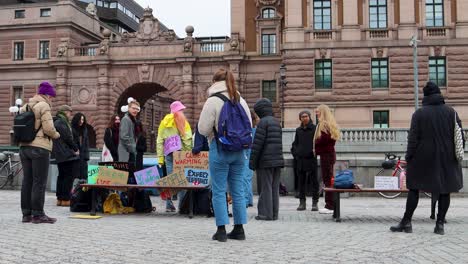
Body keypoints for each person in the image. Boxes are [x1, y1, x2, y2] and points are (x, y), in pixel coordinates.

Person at [390, 81, 464, 235]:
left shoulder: (419, 113)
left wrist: (409, 156)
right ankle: (439, 225)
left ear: (425, 96)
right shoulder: (452, 113)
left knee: (414, 188)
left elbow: (413, 139)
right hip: (447, 158)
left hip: (422, 158)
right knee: (445, 190)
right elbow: (460, 137)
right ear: (439, 94)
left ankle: (406, 221)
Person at [198, 68, 252, 242]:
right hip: (239, 150)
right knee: (238, 190)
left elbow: (203, 129)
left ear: (215, 81)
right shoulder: (240, 99)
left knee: (219, 190)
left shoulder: (212, 100)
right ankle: (239, 229)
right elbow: (249, 125)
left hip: (220, 149)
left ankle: (221, 230)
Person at [19, 82, 61, 224]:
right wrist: (57, 135)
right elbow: (49, 128)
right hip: (39, 148)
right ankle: (38, 214)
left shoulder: (26, 106)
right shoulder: (44, 106)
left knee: (27, 181)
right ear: (47, 95)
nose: (52, 100)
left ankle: (26, 214)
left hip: (24, 147)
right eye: (52, 97)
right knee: (39, 182)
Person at [249, 98, 284, 221]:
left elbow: (257, 145)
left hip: (265, 161)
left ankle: (265, 214)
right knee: (274, 188)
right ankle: (274, 213)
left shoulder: (262, 123)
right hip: (277, 160)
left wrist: (252, 162)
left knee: (265, 188)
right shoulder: (276, 122)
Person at [156, 101, 192, 212]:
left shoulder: (164, 122)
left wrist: (160, 158)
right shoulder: (183, 121)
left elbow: (159, 140)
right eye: (181, 110)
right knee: (181, 179)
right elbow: (187, 139)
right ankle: (182, 205)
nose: (182, 112)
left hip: (168, 153)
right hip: (180, 153)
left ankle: (169, 204)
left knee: (170, 179)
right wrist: (188, 153)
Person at [314, 104, 340, 214]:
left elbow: (324, 141)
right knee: (329, 179)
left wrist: (316, 146)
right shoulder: (329, 124)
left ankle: (330, 206)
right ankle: (330, 204)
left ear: (323, 112)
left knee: (328, 180)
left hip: (326, 155)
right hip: (329, 155)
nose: (316, 113)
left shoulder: (324, 125)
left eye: (318, 111)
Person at [52, 105, 80, 207]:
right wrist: (76, 148)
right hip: (65, 153)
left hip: (60, 153)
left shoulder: (56, 121)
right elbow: (68, 138)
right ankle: (66, 199)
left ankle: (60, 198)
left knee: (62, 176)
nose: (70, 115)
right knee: (68, 176)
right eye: (69, 113)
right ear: (64, 112)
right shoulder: (61, 122)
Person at [291, 110, 319, 211]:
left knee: (314, 182)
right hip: (301, 160)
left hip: (311, 159)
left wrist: (315, 152)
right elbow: (295, 143)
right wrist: (295, 153)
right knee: (301, 182)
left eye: (306, 116)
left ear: (309, 117)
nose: (304, 118)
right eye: (302, 117)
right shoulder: (298, 130)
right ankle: (302, 203)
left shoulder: (315, 129)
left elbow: (318, 143)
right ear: (300, 118)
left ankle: (315, 203)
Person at [118, 101, 139, 165]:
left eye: (137, 109)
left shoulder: (132, 120)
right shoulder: (126, 119)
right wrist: (132, 148)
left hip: (129, 151)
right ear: (129, 108)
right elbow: (124, 136)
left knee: (130, 173)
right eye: (133, 108)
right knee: (126, 173)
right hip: (126, 152)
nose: (135, 110)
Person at [244, 110, 258, 208]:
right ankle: (249, 199)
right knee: (247, 179)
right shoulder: (255, 130)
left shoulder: (247, 131)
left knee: (245, 179)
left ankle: (246, 200)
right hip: (252, 157)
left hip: (246, 156)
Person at [71, 113, 90, 180]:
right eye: (80, 119)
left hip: (83, 157)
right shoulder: (71, 129)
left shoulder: (84, 130)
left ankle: (82, 190)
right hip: (74, 156)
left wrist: (86, 156)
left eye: (83, 119)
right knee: (74, 176)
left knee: (84, 176)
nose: (82, 121)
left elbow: (86, 144)